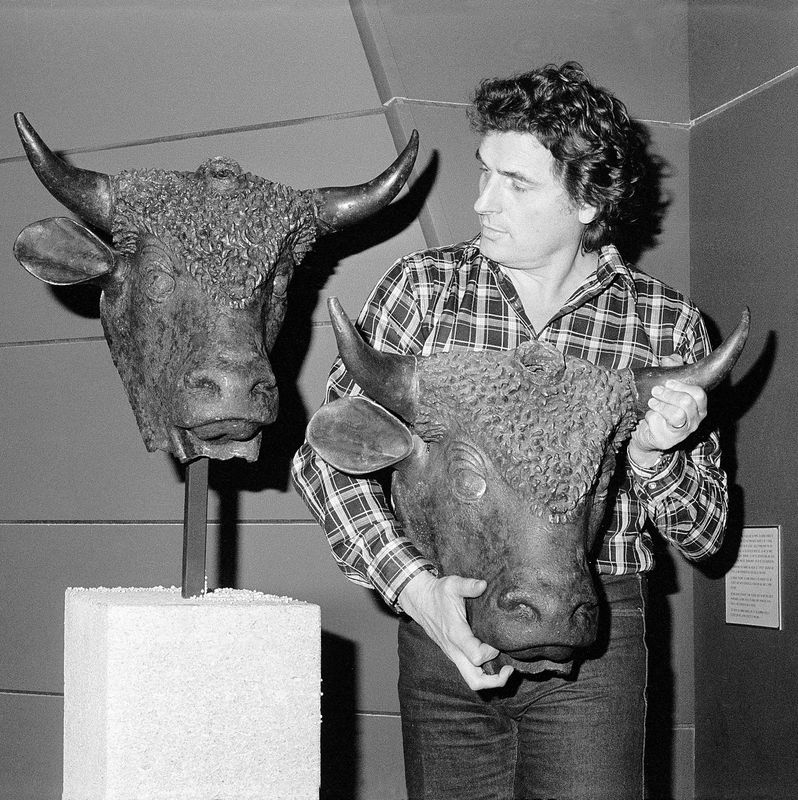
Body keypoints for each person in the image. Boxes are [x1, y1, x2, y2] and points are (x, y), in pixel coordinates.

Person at [291, 61, 727, 800]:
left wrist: (654, 457)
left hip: (597, 627)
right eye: (484, 172)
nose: (481, 201)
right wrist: (415, 587)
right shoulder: (424, 291)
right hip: (447, 613)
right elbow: (325, 459)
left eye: (516, 183)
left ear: (588, 202)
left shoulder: (664, 325)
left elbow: (707, 535)